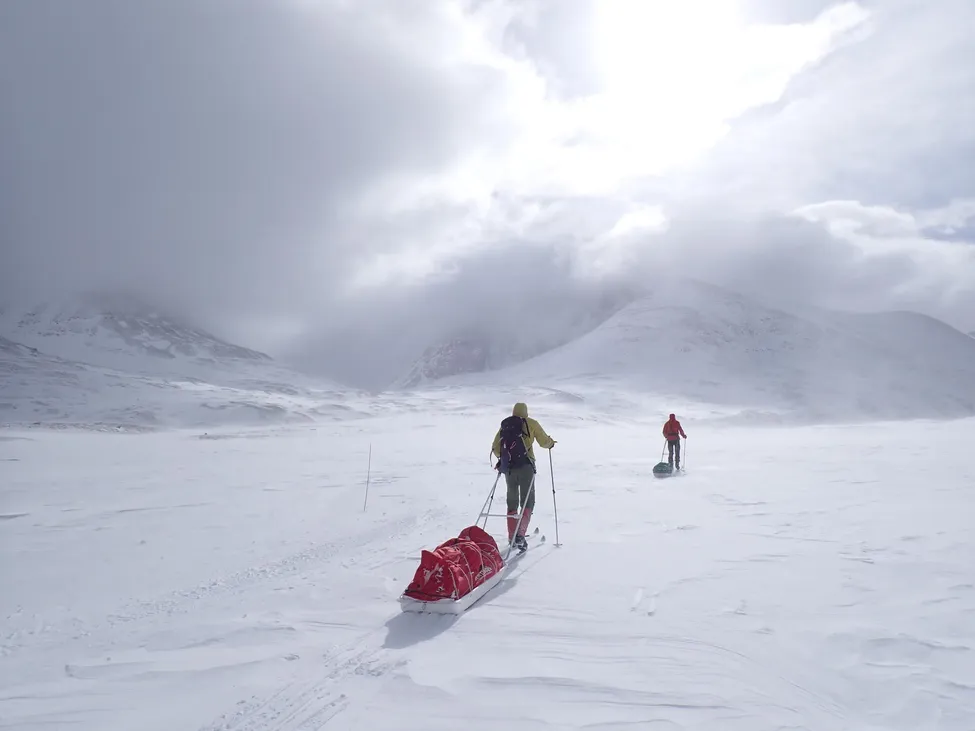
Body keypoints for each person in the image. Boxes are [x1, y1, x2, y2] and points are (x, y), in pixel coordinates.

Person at [491, 402, 556, 550]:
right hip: (526, 466)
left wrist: (506, 458)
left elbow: (495, 448)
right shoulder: (531, 423)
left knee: (512, 501)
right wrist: (551, 443)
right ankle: (520, 535)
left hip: (509, 469)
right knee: (528, 500)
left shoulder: (505, 426)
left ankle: (512, 536)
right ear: (526, 412)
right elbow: (544, 442)